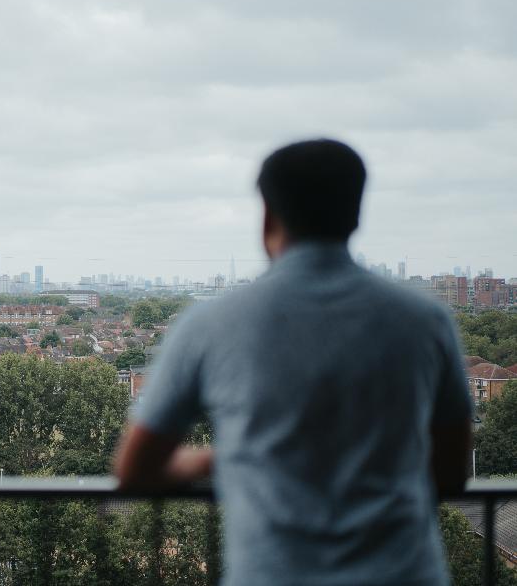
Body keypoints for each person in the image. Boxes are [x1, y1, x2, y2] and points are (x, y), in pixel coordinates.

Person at [114, 139, 472, 585]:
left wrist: (217, 460)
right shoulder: (425, 320)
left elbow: (134, 469)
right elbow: (452, 470)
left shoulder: (213, 323)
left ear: (267, 216)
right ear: (355, 215)